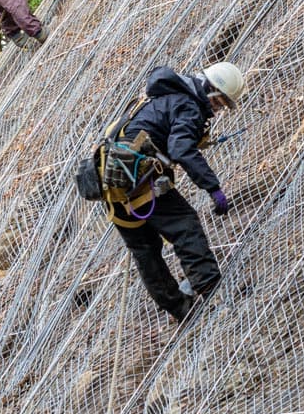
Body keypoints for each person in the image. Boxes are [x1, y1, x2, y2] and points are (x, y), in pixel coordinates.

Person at [103, 62, 246, 321]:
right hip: (140, 180)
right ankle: (213, 290)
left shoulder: (164, 98)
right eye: (218, 102)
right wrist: (213, 187)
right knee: (185, 226)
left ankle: (180, 308)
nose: (217, 110)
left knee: (145, 249)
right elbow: (181, 149)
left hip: (111, 183)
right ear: (210, 89)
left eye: (223, 106)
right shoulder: (189, 105)